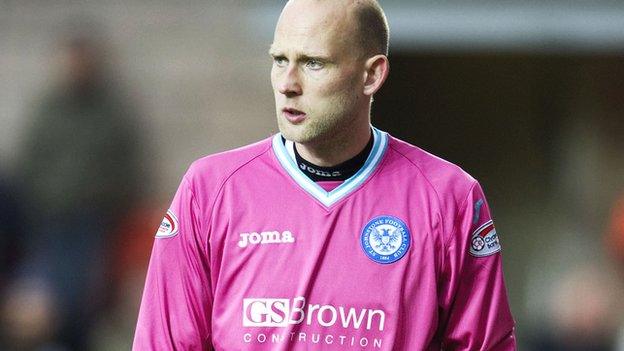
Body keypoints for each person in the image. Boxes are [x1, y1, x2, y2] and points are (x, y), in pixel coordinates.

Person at [133, 0, 516, 349]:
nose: (287, 84)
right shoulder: (211, 189)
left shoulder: (448, 197)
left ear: (372, 75)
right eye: (280, 59)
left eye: (313, 63)